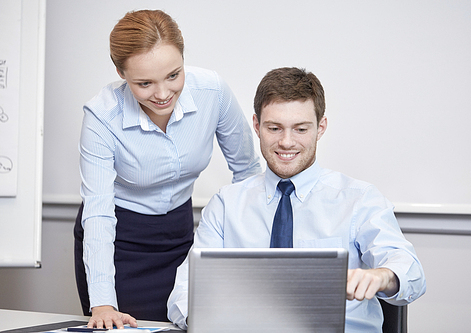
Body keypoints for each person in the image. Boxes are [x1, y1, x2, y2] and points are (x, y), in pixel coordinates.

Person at [167, 67, 426, 332]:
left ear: (320, 127)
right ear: (257, 126)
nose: (286, 142)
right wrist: (207, 321)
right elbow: (184, 293)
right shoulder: (226, 204)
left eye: (301, 129)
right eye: (274, 128)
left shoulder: (359, 199)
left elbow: (411, 273)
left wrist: (382, 276)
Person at [73, 9, 261, 329]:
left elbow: (247, 172)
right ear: (120, 72)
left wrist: (250, 252)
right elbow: (99, 213)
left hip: (181, 236)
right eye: (144, 83)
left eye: (174, 75)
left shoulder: (212, 92)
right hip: (120, 242)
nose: (162, 94)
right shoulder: (102, 116)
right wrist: (103, 303)